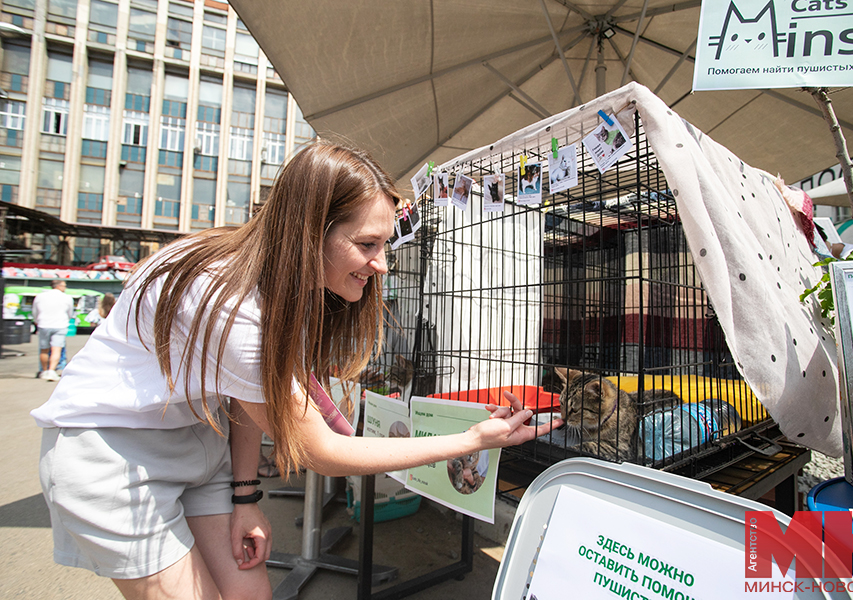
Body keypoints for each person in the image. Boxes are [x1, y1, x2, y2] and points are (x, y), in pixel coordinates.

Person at [31, 142, 561, 600]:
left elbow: (240, 394)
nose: (382, 264)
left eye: (385, 244)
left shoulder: (272, 284)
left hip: (195, 439)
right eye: (367, 245)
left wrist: (244, 497)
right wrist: (471, 439)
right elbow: (324, 453)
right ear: (311, 233)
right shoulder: (236, 308)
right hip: (113, 455)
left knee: (248, 589)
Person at [32, 279, 74, 382]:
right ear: (59, 286)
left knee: (44, 349)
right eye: (64, 286)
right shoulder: (67, 297)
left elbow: (35, 311)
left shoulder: (40, 296)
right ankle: (52, 370)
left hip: (43, 324)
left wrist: (36, 320)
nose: (65, 288)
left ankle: (44, 371)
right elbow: (70, 312)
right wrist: (67, 320)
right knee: (57, 349)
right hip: (60, 325)